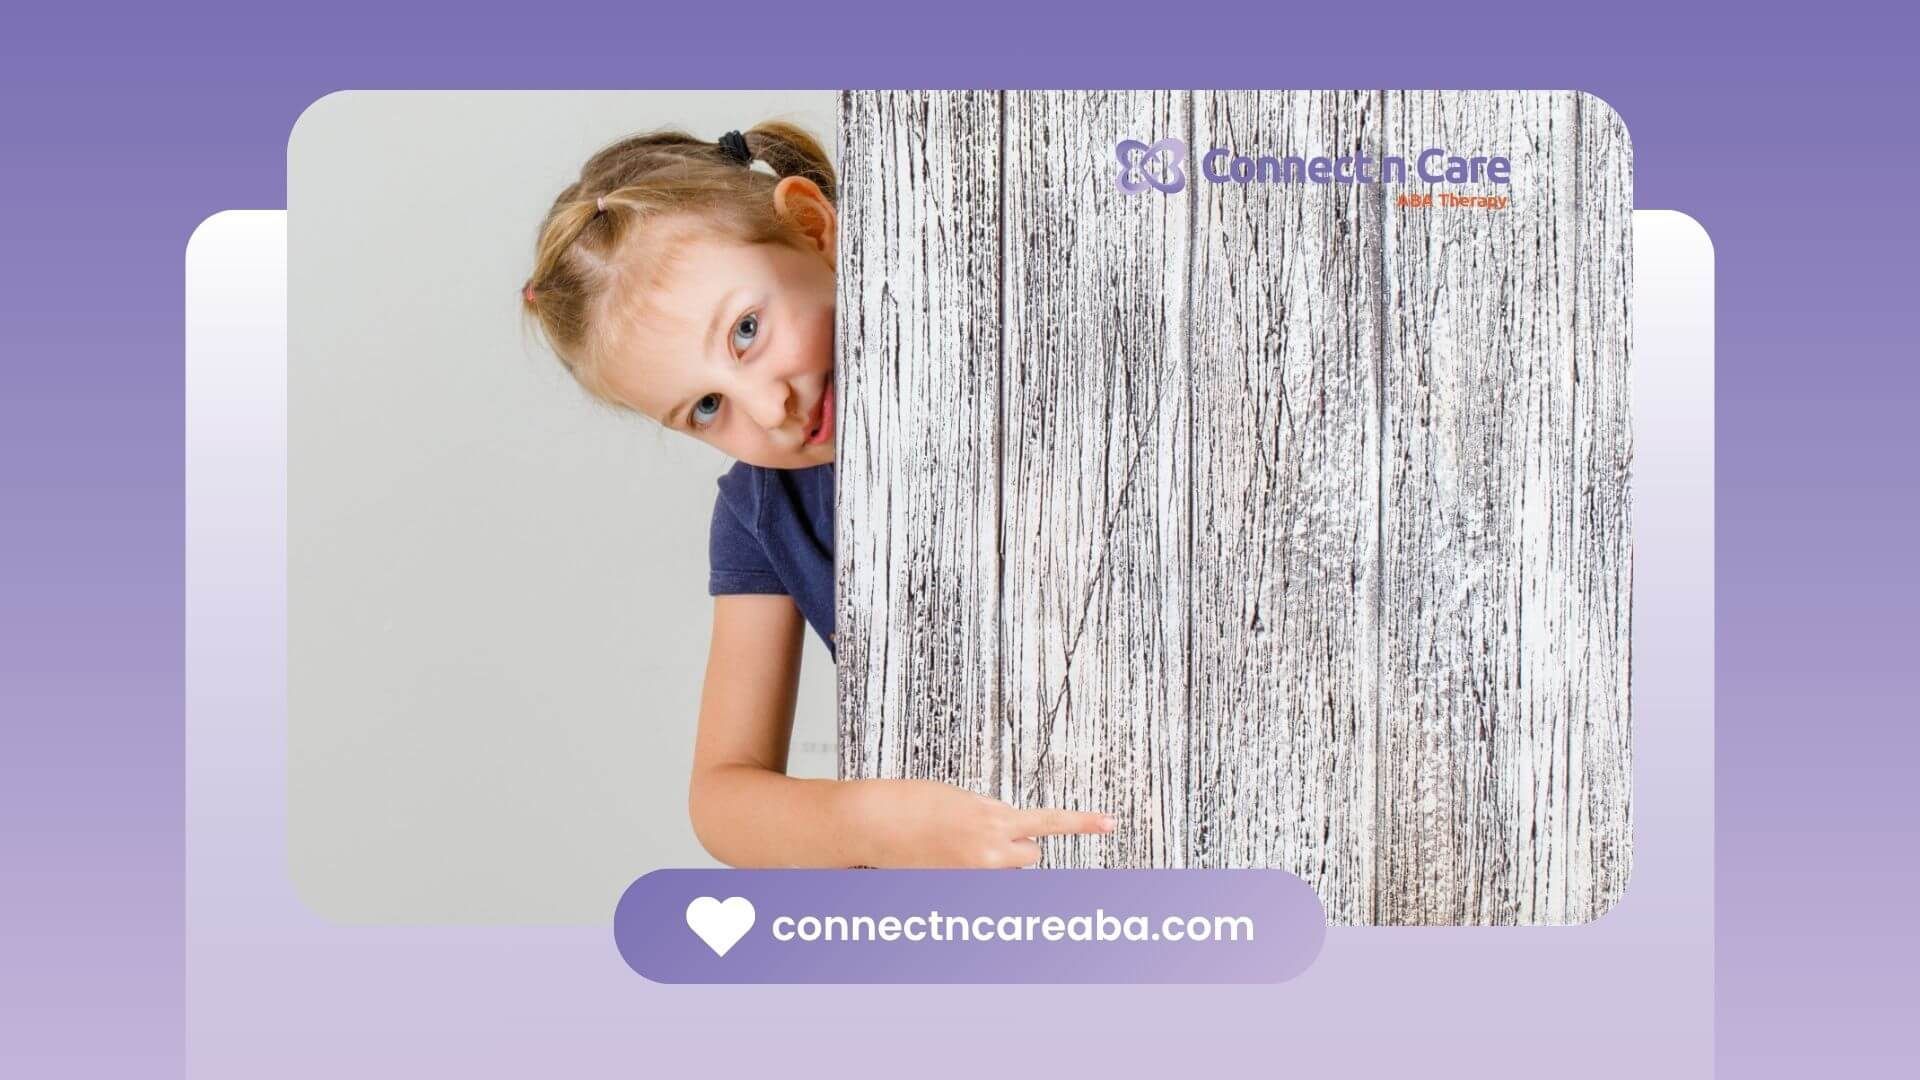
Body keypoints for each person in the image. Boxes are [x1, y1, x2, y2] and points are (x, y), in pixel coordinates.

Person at [521, 123, 1114, 868]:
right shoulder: (762, 512)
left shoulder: (1013, 344)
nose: (770, 409)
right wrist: (875, 822)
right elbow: (721, 798)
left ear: (811, 227)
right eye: (706, 408)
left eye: (745, 331)